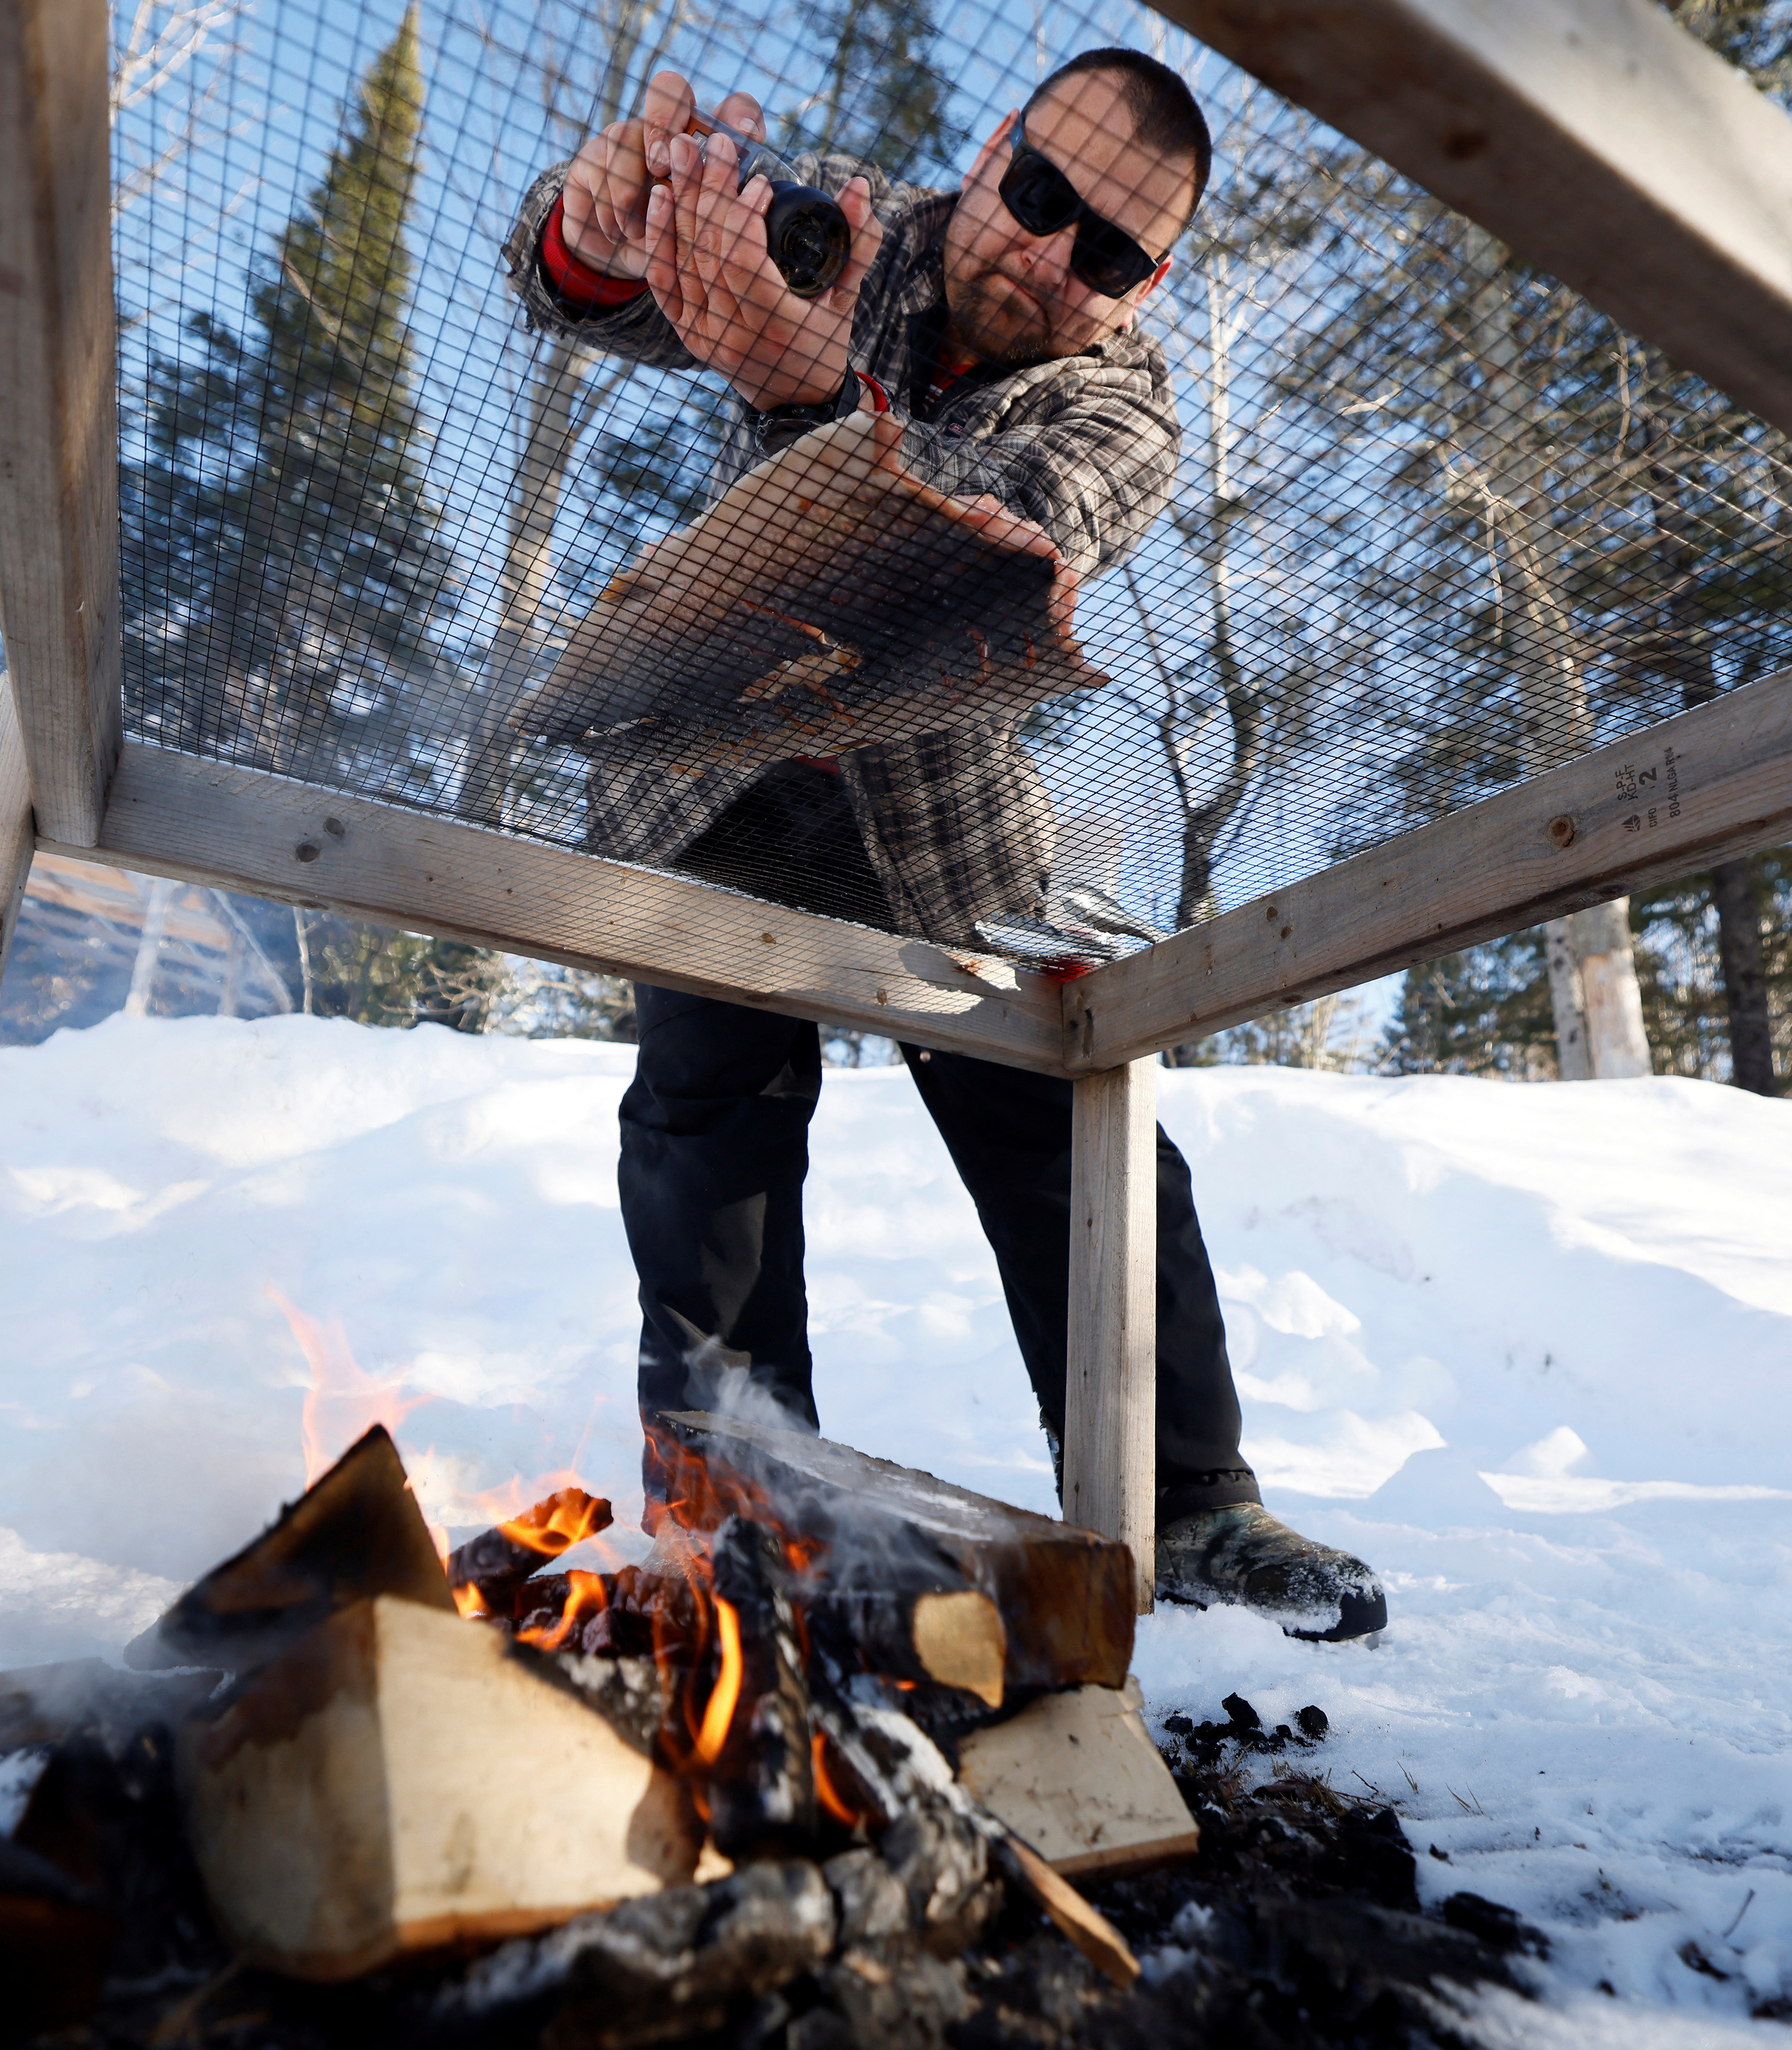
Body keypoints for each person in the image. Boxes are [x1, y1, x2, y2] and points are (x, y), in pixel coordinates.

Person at [505, 48, 1383, 1640]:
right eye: (1039, 198)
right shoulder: (853, 231)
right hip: (722, 766)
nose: (1050, 261)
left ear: (1150, 285)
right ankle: (733, 1494)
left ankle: (1190, 1507)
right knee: (707, 1116)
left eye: (1108, 254)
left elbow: (976, 556)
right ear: (992, 152)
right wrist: (598, 227)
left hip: (939, 815)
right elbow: (583, 292)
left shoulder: (1122, 411)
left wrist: (804, 399)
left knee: (1072, 1123)